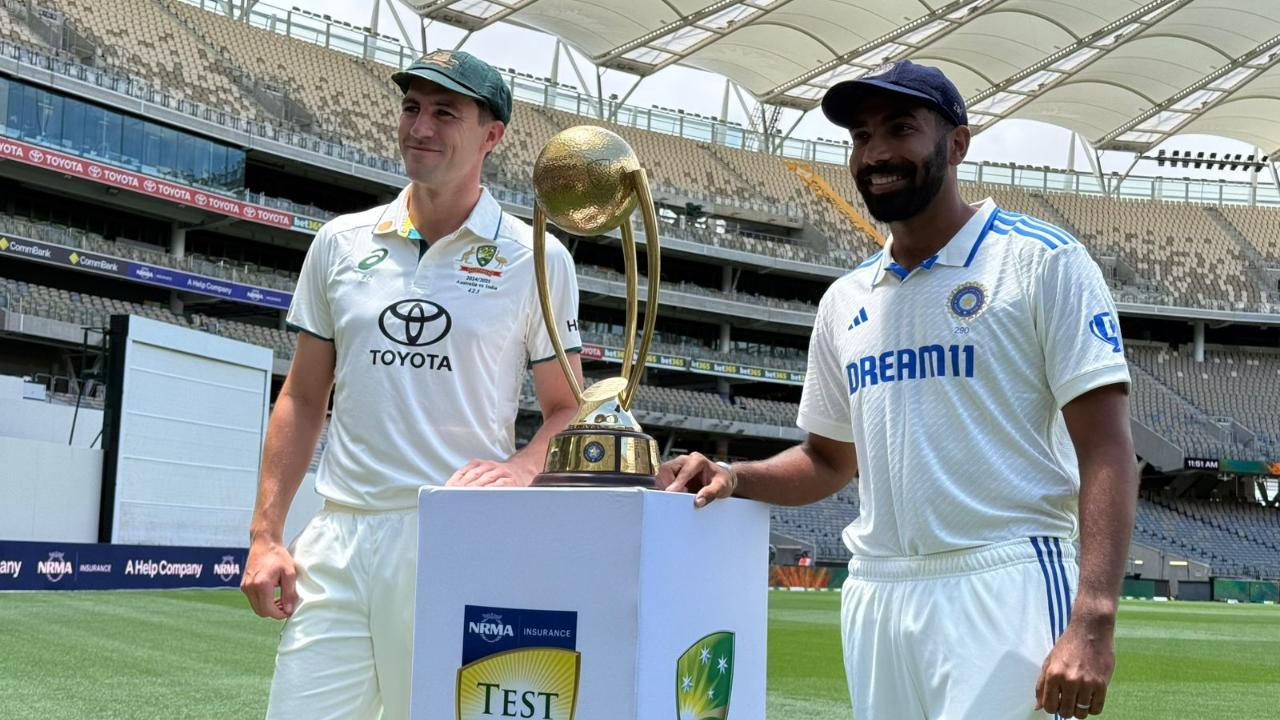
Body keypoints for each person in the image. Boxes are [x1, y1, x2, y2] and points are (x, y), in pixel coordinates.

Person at [659, 60, 1137, 720]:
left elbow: (1107, 449)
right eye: (860, 136)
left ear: (957, 142)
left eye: (901, 128)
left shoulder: (1040, 259)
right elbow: (829, 460)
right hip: (878, 591)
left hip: (1005, 580)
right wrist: (736, 476)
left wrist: (1094, 618)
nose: (877, 153)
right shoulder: (845, 299)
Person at [239, 50, 584, 720]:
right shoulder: (341, 242)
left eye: (444, 112)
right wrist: (265, 533)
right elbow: (303, 398)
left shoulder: (535, 258)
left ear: (492, 135)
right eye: (410, 107)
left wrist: (520, 468)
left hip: (454, 538)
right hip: (337, 540)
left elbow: (567, 410)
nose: (419, 126)